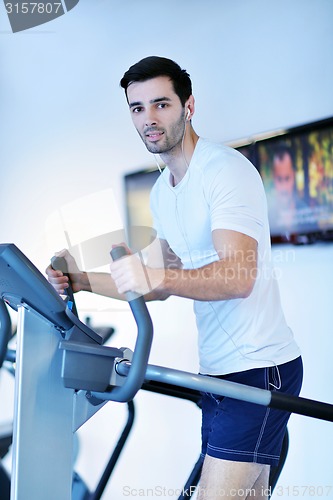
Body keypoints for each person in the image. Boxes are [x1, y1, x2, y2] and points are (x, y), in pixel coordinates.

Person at [46, 56, 303, 499]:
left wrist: (156, 279)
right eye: (137, 107)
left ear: (189, 106)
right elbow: (156, 279)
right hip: (220, 371)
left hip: (259, 369)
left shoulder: (224, 171)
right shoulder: (165, 191)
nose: (149, 118)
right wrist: (82, 280)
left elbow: (237, 276)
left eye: (161, 104)